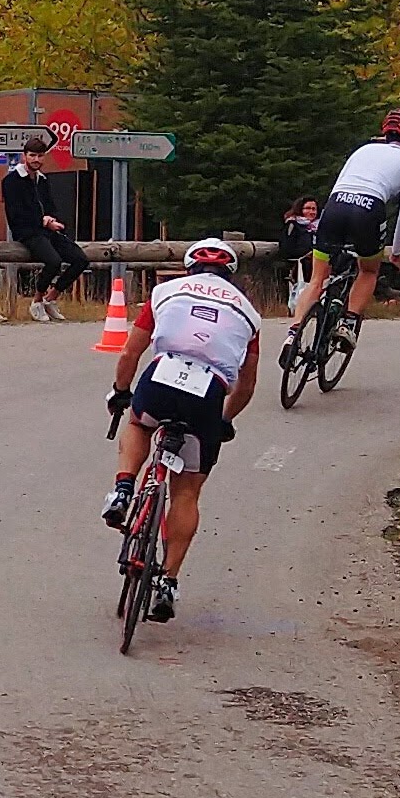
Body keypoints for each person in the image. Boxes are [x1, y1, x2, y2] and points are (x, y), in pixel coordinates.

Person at [96, 237, 267, 625]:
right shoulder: (250, 314)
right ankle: (168, 582)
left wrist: (120, 391)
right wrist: (224, 420)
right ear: (230, 274)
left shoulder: (166, 291)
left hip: (163, 374)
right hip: (209, 391)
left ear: (189, 267)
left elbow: (130, 352)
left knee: (139, 422)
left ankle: (123, 489)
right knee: (187, 492)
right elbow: (247, 383)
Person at [293, 108, 400, 342]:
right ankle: (348, 323)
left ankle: (293, 333)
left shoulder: (363, 149)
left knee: (316, 279)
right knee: (368, 270)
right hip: (368, 209)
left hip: (336, 205)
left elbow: (339, 185)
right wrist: (397, 252)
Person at [0, 133, 90, 321]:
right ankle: (37, 301)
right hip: (26, 231)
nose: (36, 159)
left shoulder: (43, 180)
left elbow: (50, 206)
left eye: (40, 156)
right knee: (53, 261)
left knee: (80, 259)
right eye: (32, 155)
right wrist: (43, 221)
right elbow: (15, 213)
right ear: (24, 156)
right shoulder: (11, 181)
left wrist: (53, 221)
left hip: (47, 230)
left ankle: (51, 298)